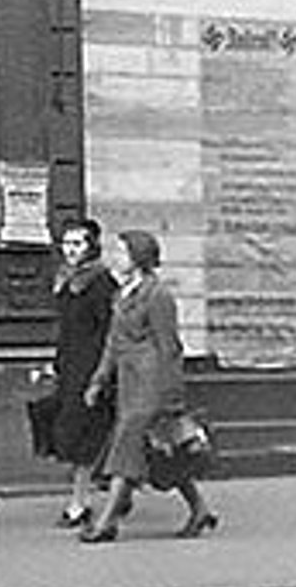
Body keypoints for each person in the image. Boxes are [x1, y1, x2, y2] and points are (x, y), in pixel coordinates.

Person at [79, 229, 218, 543]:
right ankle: (200, 510)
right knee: (157, 452)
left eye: (122, 253)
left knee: (126, 451)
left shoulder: (158, 296)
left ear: (138, 258)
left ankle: (107, 522)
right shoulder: (123, 294)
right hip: (129, 384)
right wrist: (98, 380)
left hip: (152, 384)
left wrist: (171, 395)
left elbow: (169, 347)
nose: (116, 258)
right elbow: (112, 344)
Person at [45, 218, 116, 529]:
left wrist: (102, 374)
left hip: (92, 370)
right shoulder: (65, 280)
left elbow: (110, 333)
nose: (70, 250)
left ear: (92, 247)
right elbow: (66, 330)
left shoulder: (100, 283)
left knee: (85, 437)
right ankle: (114, 497)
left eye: (78, 244)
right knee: (78, 434)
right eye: (67, 243)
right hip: (72, 368)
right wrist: (56, 363)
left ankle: (79, 503)